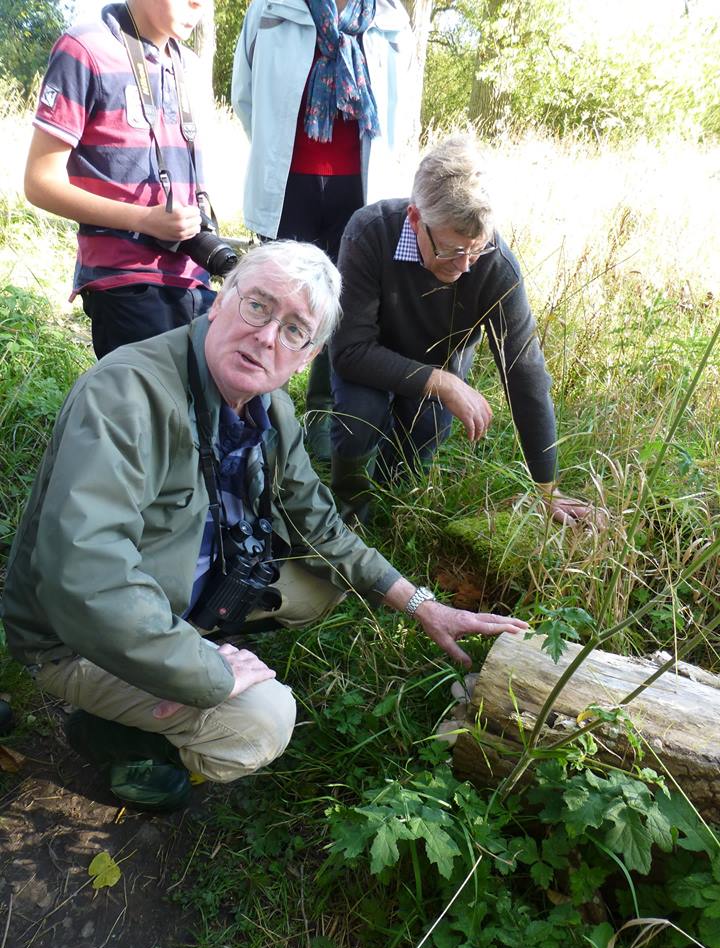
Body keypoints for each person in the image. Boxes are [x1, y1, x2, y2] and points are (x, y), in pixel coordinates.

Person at [1, 242, 528, 813]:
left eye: (295, 329)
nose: (267, 337)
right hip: (72, 638)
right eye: (257, 306)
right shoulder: (125, 395)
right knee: (262, 722)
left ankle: (171, 669)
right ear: (218, 302)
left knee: (324, 584)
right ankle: (118, 735)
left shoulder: (270, 408)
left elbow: (320, 524)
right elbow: (86, 578)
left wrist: (424, 604)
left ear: (309, 356)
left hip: (179, 590)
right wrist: (205, 671)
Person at [330, 134, 598, 526]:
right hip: (367, 357)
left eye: (476, 249)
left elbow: (524, 372)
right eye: (453, 251)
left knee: (419, 441)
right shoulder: (369, 232)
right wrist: (445, 384)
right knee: (358, 420)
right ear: (416, 219)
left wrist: (547, 486)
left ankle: (388, 508)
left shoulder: (494, 265)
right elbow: (350, 350)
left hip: (436, 364)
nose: (465, 267)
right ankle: (348, 515)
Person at [231, 0, 414, 459]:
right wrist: (276, 155)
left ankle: (320, 411)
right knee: (275, 296)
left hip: (360, 188)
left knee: (338, 307)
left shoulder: (391, 20)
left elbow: (401, 111)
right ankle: (262, 405)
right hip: (287, 183)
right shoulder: (271, 8)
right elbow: (245, 95)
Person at [24, 0, 217, 359]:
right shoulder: (85, 49)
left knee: (209, 409)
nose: (199, 5)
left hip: (195, 276)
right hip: (124, 280)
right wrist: (144, 220)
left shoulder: (188, 63)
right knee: (145, 410)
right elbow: (39, 181)